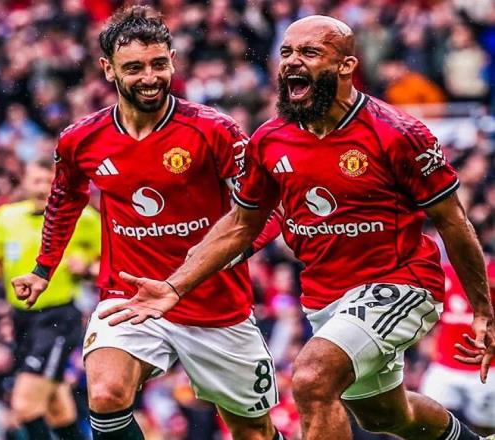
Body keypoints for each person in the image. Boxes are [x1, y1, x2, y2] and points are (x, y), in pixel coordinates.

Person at [99, 15, 495, 440]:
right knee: (385, 416)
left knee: (311, 378)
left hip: (400, 283)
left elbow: (453, 221)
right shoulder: (270, 139)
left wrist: (483, 310)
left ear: (346, 65)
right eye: (286, 52)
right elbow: (241, 223)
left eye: (309, 52)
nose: (291, 61)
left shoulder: (397, 133)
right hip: (327, 296)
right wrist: (174, 287)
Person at [11, 7, 283, 440]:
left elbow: (270, 204)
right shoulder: (82, 139)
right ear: (108, 69)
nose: (150, 77)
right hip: (129, 296)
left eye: (159, 64)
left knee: (253, 432)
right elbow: (65, 200)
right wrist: (44, 268)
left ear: (173, 60)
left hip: (215, 304)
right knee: (105, 393)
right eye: (134, 68)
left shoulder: (214, 130)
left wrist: (234, 252)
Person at [0, 159, 100, 440]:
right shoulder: (6, 217)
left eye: (48, 181)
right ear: (24, 182)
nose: (43, 188)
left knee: (25, 406)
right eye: (36, 180)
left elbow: (108, 264)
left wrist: (87, 268)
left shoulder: (84, 218)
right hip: (21, 319)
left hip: (57, 318)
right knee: (58, 409)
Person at [420, 261, 495, 437]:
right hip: (444, 366)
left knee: (485, 428)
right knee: (425, 420)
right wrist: (426, 340)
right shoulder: (441, 271)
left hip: (486, 369)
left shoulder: (491, 270)